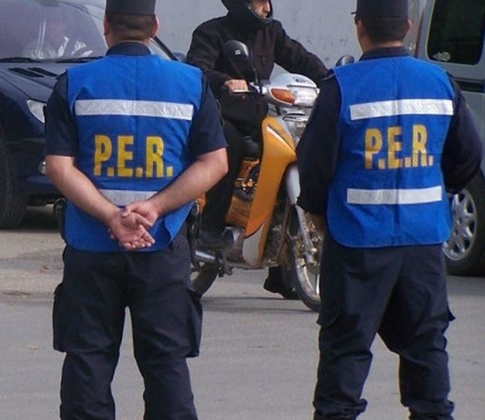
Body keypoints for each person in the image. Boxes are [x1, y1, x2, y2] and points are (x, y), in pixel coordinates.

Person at [296, 0, 482, 418]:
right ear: (409, 26)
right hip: (423, 244)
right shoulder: (440, 83)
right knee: (426, 350)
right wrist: (432, 190)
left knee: (345, 356)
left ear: (360, 28)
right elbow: (467, 157)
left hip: (356, 244)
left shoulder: (341, 87)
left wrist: (319, 215)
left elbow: (314, 166)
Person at [43, 0, 228, 417]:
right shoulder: (191, 82)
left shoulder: (75, 83)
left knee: (88, 360)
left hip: (91, 247)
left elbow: (58, 166)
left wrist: (112, 216)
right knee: (165, 362)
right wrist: (156, 207)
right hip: (161, 246)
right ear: (154, 27)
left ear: (106, 26)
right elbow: (215, 162)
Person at [186, 0, 328, 296]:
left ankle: (282, 272)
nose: (266, 7)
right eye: (259, 1)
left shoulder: (272, 33)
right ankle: (210, 226)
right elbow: (197, 69)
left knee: (290, 154)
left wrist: (330, 80)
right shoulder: (211, 32)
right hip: (222, 117)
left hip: (258, 117)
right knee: (230, 145)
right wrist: (225, 82)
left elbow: (301, 59)